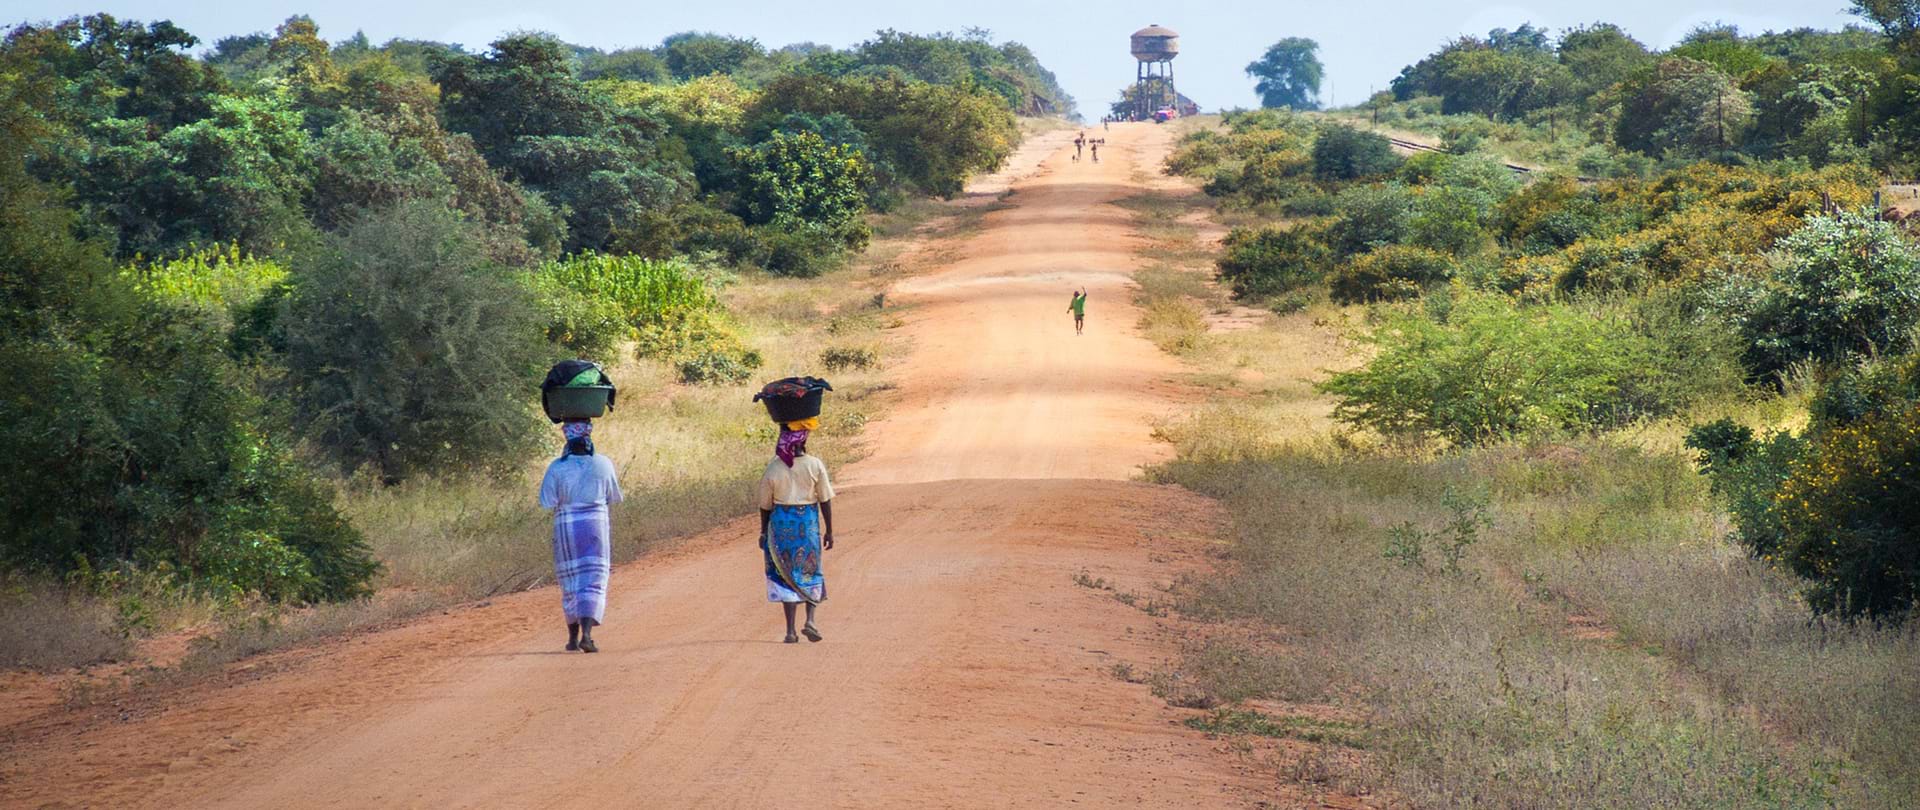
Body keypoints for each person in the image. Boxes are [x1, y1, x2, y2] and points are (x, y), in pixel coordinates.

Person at [539, 420, 623, 653]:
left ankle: (572, 638)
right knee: (594, 578)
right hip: (596, 525)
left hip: (566, 527)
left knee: (570, 580)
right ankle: (587, 634)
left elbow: (548, 501)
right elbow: (613, 496)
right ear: (588, 439)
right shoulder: (603, 464)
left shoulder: (556, 467)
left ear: (567, 439)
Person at [758, 420, 835, 643]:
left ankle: (790, 631)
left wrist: (763, 532)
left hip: (781, 526)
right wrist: (829, 530)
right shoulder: (814, 464)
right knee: (810, 568)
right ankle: (810, 620)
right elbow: (825, 499)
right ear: (804, 439)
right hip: (808, 523)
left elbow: (765, 505)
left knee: (785, 573)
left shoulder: (774, 467)